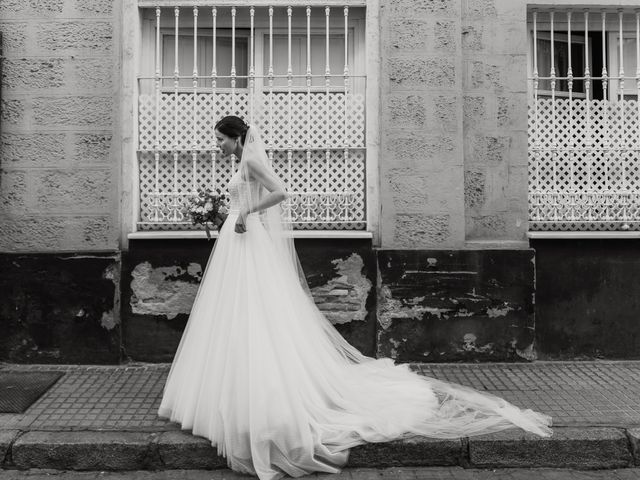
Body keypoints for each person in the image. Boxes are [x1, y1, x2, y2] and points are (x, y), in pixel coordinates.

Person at [157, 116, 552, 480]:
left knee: (258, 312)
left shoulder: (252, 162)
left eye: (222, 140)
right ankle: (228, 388)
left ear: (237, 138)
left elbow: (279, 192)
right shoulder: (238, 165)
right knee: (233, 314)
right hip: (237, 244)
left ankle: (265, 391)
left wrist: (247, 214)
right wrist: (224, 213)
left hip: (247, 239)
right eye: (219, 141)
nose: (219, 147)